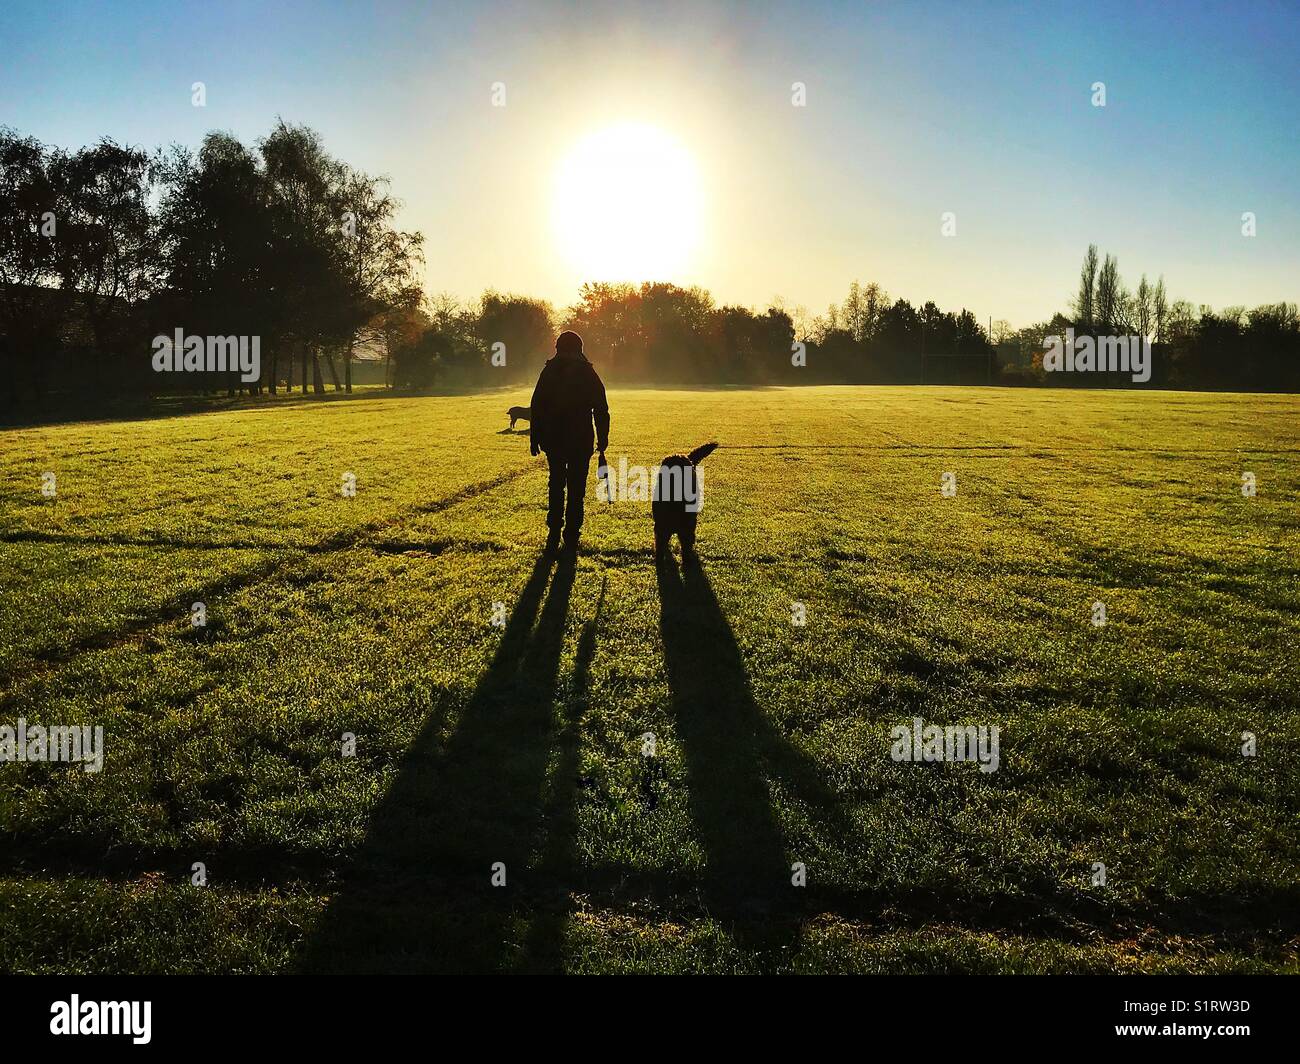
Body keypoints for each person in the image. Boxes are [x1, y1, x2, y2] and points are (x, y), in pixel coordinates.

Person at [529, 331, 610, 554]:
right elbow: (601, 408)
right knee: (577, 489)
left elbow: (537, 405)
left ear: (559, 347)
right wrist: (603, 438)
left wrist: (535, 438)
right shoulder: (588, 373)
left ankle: (554, 528)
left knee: (556, 484)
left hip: (553, 438)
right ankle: (572, 534)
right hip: (580, 440)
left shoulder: (549, 371)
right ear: (579, 348)